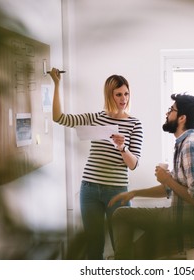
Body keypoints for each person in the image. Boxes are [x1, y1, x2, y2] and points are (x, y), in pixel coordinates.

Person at [108, 93, 194, 260]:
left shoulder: (190, 147)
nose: (167, 114)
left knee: (136, 251)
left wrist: (166, 179)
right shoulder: (182, 144)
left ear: (182, 118)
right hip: (176, 214)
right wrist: (134, 193)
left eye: (171, 110)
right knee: (121, 215)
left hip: (189, 226)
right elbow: (170, 189)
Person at [49, 68, 143, 259]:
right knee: (93, 246)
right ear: (109, 95)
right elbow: (59, 118)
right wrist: (57, 84)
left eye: (126, 93)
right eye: (118, 94)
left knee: (123, 246)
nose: (123, 98)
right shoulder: (96, 118)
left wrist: (123, 147)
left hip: (117, 191)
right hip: (89, 190)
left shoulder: (135, 124)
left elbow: (133, 164)